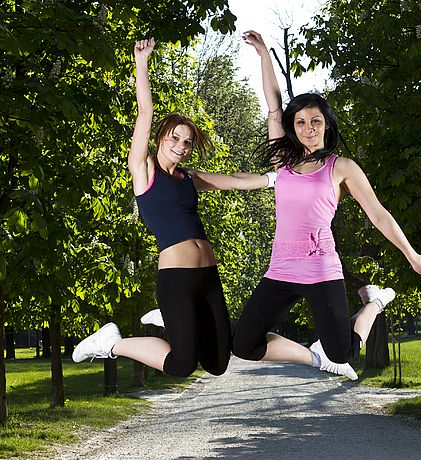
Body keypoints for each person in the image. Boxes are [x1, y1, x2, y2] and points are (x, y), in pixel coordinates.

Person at [229, 30, 421, 381]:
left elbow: (379, 215)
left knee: (343, 353)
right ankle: (312, 357)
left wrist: (412, 255)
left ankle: (374, 301)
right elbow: (274, 106)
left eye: (315, 121)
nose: (308, 128)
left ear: (326, 124)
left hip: (320, 267)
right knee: (243, 343)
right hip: (281, 267)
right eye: (301, 123)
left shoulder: (341, 167)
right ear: (293, 129)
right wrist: (264, 54)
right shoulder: (284, 160)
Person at [72, 38, 274, 378]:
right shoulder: (144, 169)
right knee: (181, 365)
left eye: (187, 142)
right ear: (161, 136)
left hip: (208, 276)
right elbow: (145, 112)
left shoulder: (187, 177)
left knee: (218, 363)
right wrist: (141, 62)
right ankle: (111, 343)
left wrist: (272, 180)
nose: (181, 146)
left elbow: (231, 179)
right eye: (175, 138)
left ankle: (174, 317)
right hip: (176, 278)